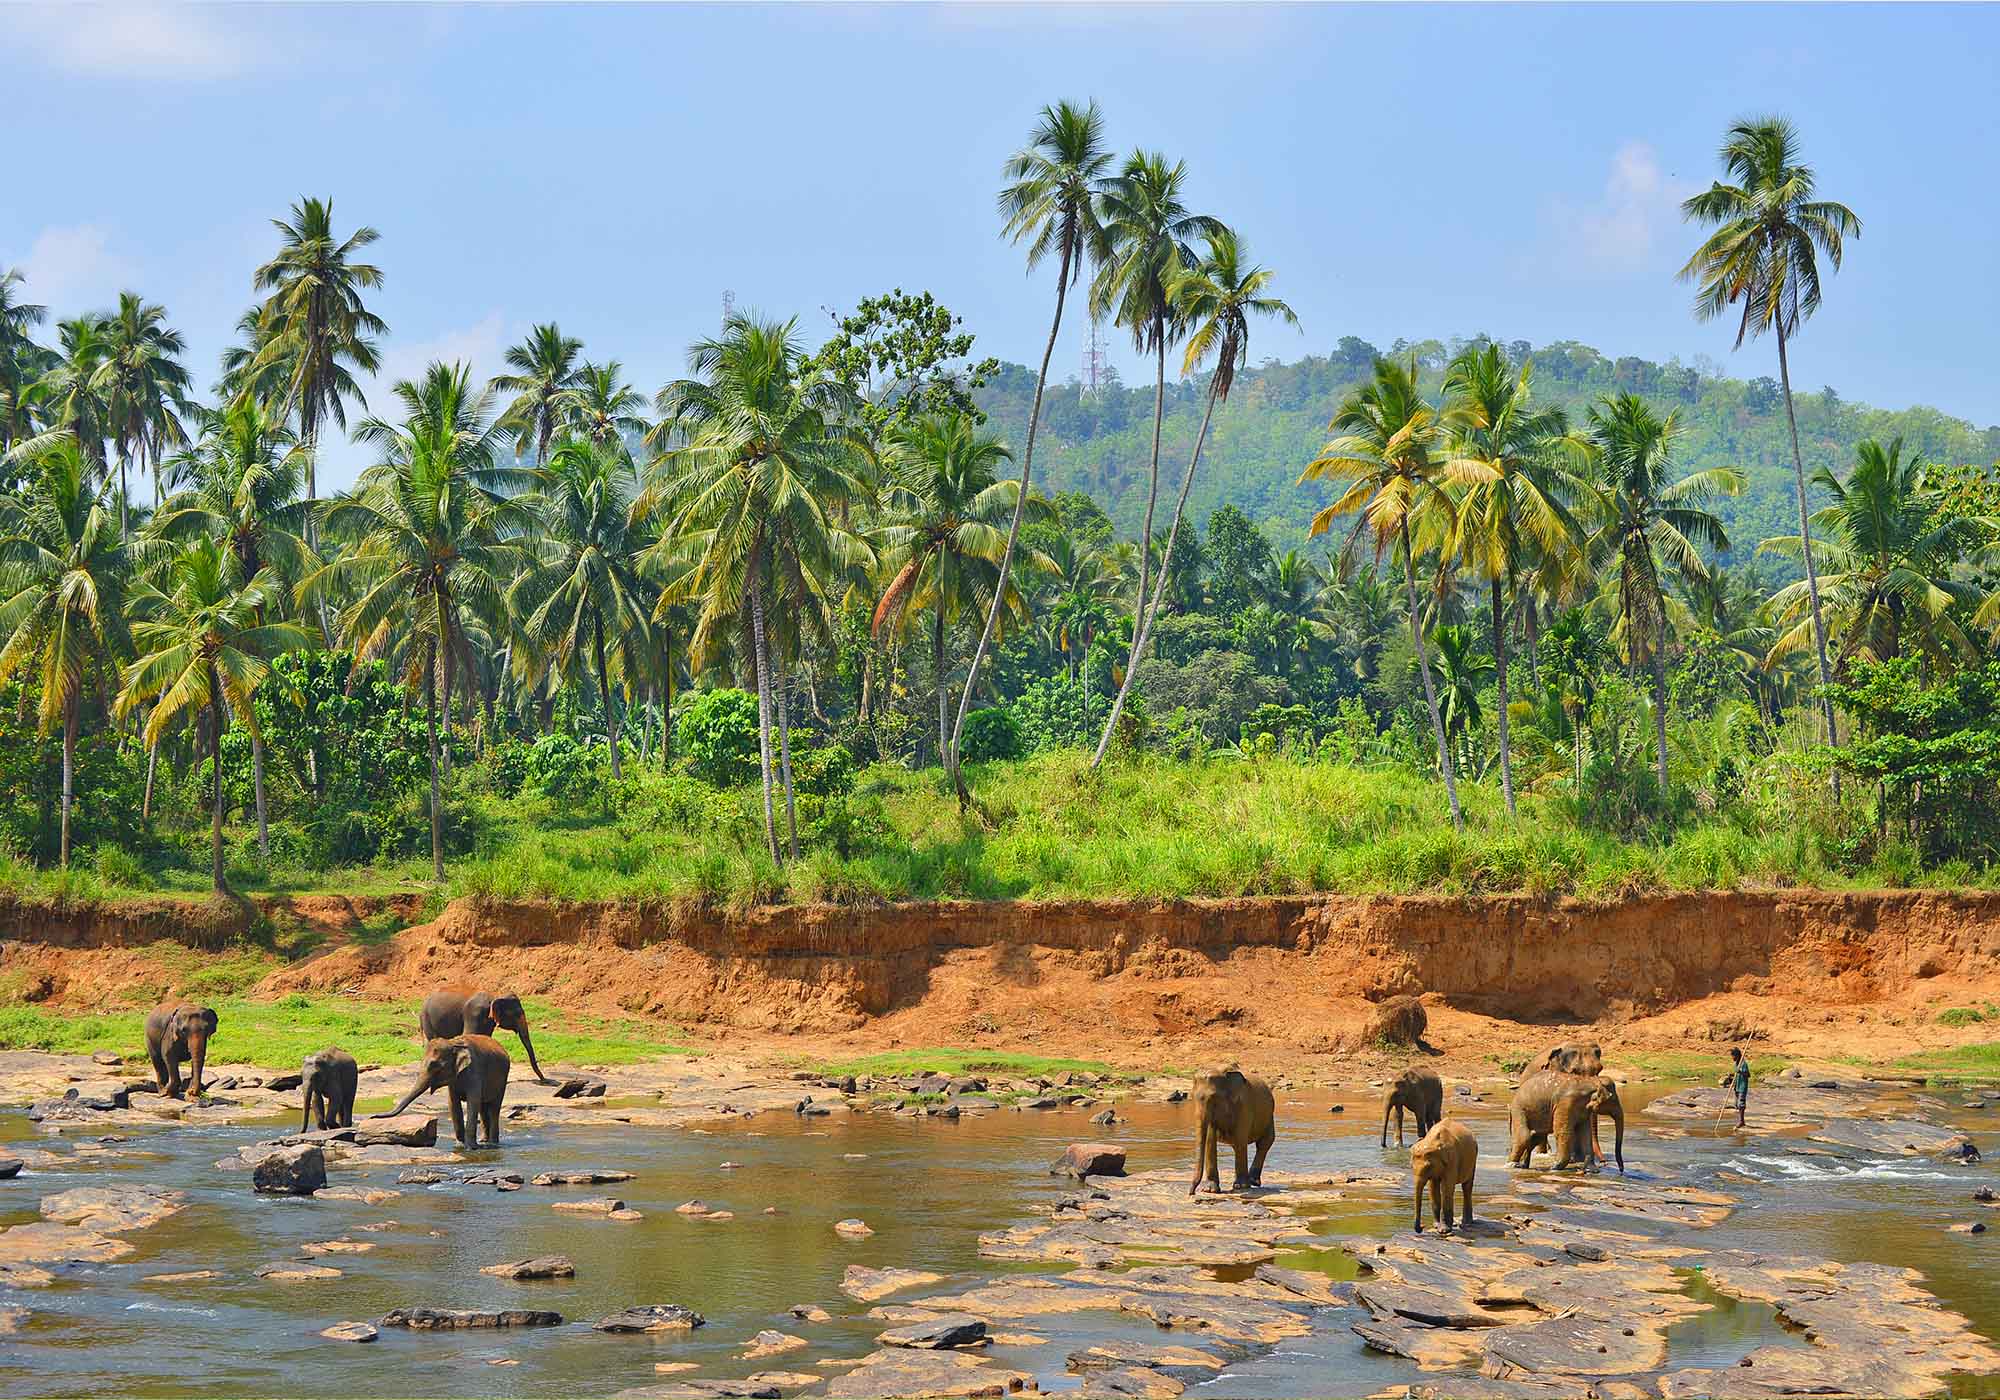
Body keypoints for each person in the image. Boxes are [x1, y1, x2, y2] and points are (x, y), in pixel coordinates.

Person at [1719, 1047, 1750, 1128]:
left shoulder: (1743, 1064)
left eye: (1733, 1056)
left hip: (1742, 1086)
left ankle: (1741, 1121)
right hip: (1737, 1086)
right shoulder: (1736, 1063)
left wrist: (1740, 1071)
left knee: (1741, 1104)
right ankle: (1741, 1120)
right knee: (1736, 1104)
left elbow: (1748, 1075)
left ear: (1737, 1055)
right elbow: (1737, 1074)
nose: (1732, 1058)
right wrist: (1732, 1076)